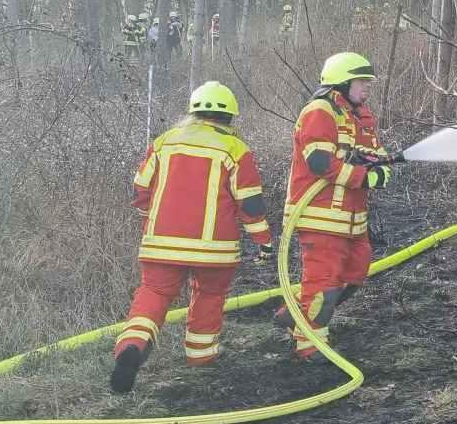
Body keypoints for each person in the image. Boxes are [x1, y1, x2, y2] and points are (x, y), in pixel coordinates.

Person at [110, 82, 274, 393]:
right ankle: (201, 354)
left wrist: (151, 221)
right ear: (229, 118)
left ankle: (132, 345)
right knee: (210, 295)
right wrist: (263, 240)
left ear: (193, 111)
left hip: (161, 243)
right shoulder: (235, 149)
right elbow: (249, 202)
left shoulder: (164, 142)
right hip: (215, 248)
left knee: (154, 294)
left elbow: (139, 191)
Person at [273, 52, 392, 358]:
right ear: (342, 81)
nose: (367, 87)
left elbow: (378, 157)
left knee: (354, 277)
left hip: (353, 220)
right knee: (324, 288)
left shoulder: (360, 117)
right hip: (320, 216)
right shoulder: (319, 111)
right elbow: (319, 162)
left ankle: (294, 314)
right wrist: (365, 177)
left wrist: (380, 170)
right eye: (361, 81)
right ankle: (311, 348)